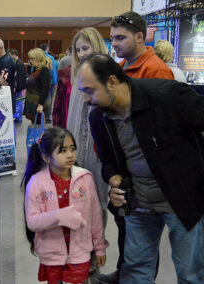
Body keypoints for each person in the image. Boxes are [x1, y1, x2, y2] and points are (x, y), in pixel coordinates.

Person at [78, 53, 204, 284]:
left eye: (89, 90)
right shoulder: (99, 118)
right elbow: (107, 162)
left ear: (113, 82)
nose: (86, 99)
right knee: (135, 271)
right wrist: (114, 180)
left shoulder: (166, 95)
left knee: (190, 274)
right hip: (138, 205)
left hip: (183, 203)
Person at [95, 11, 175, 283]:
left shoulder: (155, 70)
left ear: (140, 37)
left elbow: (164, 127)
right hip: (126, 169)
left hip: (150, 175)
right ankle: (125, 273)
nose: (114, 43)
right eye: (112, 38)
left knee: (146, 240)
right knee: (127, 231)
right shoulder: (122, 67)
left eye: (120, 38)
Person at [22, 127, 108, 284]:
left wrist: (100, 247)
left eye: (72, 149)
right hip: (51, 255)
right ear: (46, 157)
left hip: (80, 253)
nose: (70, 155)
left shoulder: (85, 179)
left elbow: (95, 217)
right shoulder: (36, 183)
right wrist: (59, 216)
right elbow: (32, 222)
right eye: (62, 150)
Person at [66, 27, 109, 229]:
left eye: (85, 48)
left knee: (97, 201)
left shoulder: (108, 78)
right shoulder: (77, 77)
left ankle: (94, 250)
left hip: (98, 151)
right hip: (77, 149)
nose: (82, 54)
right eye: (78, 50)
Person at [23, 48, 51, 123]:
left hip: (38, 104)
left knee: (39, 128)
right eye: (30, 59)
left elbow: (45, 88)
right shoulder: (36, 69)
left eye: (32, 58)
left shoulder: (44, 70)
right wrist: (29, 67)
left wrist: (40, 104)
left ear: (39, 58)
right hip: (32, 103)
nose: (30, 61)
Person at [40, 43, 58, 122]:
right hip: (49, 82)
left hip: (39, 82)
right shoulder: (50, 58)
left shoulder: (38, 57)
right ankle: (47, 117)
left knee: (40, 98)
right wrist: (54, 82)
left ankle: (39, 115)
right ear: (47, 49)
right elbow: (53, 71)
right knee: (49, 99)